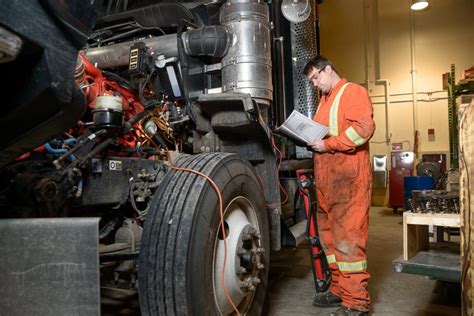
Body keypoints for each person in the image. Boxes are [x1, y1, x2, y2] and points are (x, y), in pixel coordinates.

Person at [304, 55, 375, 316]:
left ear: (329, 69)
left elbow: (363, 129)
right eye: (311, 80)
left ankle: (356, 303)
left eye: (316, 77)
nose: (315, 84)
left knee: (349, 243)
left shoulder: (352, 91)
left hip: (349, 184)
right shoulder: (324, 101)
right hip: (327, 184)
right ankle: (339, 290)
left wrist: (327, 144)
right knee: (331, 243)